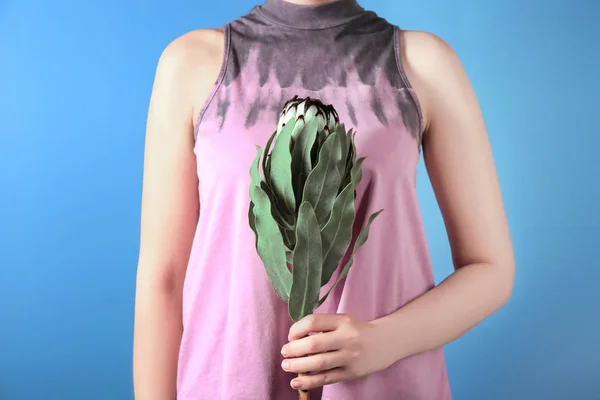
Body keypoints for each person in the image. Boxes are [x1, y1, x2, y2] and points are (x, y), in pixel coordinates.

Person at [132, 0, 515, 399]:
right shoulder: (193, 63)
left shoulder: (423, 64)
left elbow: (491, 269)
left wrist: (382, 342)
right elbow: (164, 280)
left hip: (383, 388)